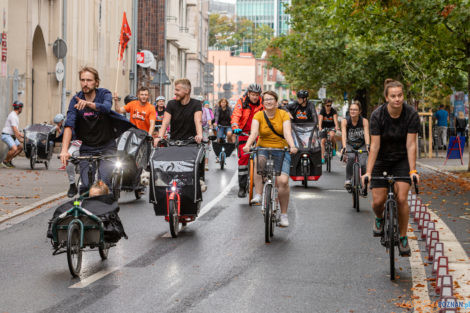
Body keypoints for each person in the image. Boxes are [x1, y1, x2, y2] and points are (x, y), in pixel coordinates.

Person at [362, 79, 420, 257]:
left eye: (400, 95)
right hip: (381, 160)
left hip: (402, 159)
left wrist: (412, 171)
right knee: (378, 202)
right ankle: (379, 218)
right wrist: (369, 172)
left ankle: (403, 237)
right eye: (393, 96)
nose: (397, 99)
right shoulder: (377, 116)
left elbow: (411, 145)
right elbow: (375, 146)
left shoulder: (411, 114)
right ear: (386, 97)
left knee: (402, 198)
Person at [60, 66, 134, 194]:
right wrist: (64, 151)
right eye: (82, 80)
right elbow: (69, 125)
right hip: (87, 147)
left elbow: (105, 108)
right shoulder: (75, 100)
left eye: (89, 80)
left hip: (106, 147)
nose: (85, 83)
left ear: (96, 82)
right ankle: (86, 212)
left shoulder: (104, 94)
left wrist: (88, 104)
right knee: (85, 185)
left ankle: (106, 211)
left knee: (103, 183)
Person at [243, 91, 298, 227]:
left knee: (283, 182)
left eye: (271, 99)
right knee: (257, 161)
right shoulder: (258, 115)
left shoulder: (283, 114)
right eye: (266, 99)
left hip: (281, 150)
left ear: (276, 102)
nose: (268, 101)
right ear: (263, 102)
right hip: (263, 149)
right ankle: (259, 194)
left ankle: (284, 215)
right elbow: (254, 132)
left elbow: (287, 132)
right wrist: (248, 145)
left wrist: (292, 145)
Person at [153, 78, 206, 191]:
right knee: (169, 169)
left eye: (177, 90)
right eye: (175, 90)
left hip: (190, 143)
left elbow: (198, 121)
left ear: (186, 91)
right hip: (173, 142)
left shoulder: (196, 104)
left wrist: (199, 135)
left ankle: (199, 180)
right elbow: (165, 122)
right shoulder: (171, 104)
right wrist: (159, 137)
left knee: (194, 166)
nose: (174, 92)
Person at [231, 83, 264, 198]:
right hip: (244, 132)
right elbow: (235, 115)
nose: (255, 97)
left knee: (262, 156)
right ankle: (242, 186)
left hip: (259, 133)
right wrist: (235, 128)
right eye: (253, 94)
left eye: (257, 95)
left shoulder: (262, 103)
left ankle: (262, 180)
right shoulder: (242, 102)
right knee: (244, 158)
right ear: (248, 93)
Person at [341, 101, 369, 191]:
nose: (352, 111)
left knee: (363, 164)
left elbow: (367, 134)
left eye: (355, 110)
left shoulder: (364, 121)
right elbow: (344, 135)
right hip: (350, 145)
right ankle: (348, 180)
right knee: (351, 158)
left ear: (359, 111)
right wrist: (344, 147)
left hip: (362, 144)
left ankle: (364, 182)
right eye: (351, 109)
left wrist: (368, 146)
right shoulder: (345, 121)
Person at [1, 101, 24, 168]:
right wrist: (20, 138)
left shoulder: (15, 115)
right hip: (6, 135)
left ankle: (9, 160)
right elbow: (14, 129)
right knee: (14, 148)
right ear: (19, 108)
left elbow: (15, 129)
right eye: (21, 107)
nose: (21, 109)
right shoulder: (13, 116)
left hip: (11, 135)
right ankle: (5, 162)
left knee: (20, 148)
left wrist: (21, 135)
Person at [319, 99, 340, 163]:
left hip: (331, 127)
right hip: (324, 127)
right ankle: (322, 157)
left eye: (330, 105)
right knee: (323, 141)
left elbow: (335, 121)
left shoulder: (333, 111)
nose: (329, 107)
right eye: (327, 105)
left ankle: (333, 148)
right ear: (325, 105)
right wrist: (320, 128)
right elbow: (320, 120)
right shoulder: (322, 111)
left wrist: (336, 127)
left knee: (332, 135)